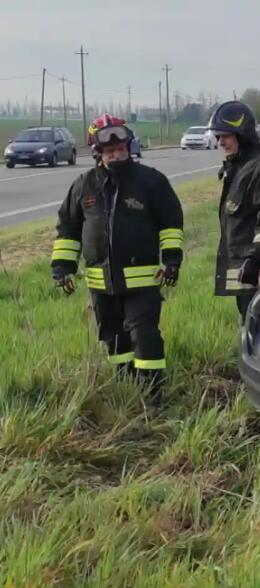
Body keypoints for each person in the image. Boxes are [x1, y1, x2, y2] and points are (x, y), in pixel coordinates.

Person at [51, 114, 183, 400]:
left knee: (144, 336)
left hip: (142, 282)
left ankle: (153, 397)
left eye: (121, 148)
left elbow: (171, 224)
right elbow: (68, 230)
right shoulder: (84, 185)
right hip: (101, 284)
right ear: (98, 153)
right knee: (113, 338)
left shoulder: (151, 181)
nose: (117, 154)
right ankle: (126, 387)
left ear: (129, 146)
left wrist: (172, 261)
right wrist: (62, 268)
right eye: (110, 151)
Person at [208, 100, 260, 321]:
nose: (220, 142)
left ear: (242, 135)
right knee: (250, 330)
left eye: (225, 136)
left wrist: (255, 261)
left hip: (257, 275)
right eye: (217, 137)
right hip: (243, 278)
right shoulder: (239, 169)